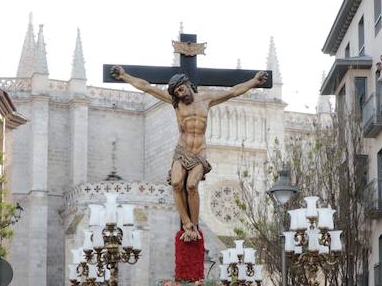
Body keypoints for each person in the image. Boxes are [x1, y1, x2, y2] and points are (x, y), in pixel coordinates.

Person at [110, 64, 270, 242]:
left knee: (192, 185)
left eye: (181, 89)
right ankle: (186, 223)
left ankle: (194, 225)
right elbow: (147, 87)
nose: (180, 94)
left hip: (199, 152)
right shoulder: (176, 103)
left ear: (187, 84)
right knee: (177, 183)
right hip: (182, 149)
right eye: (176, 93)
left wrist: (254, 81)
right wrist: (125, 76)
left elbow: (233, 91)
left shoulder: (206, 99)